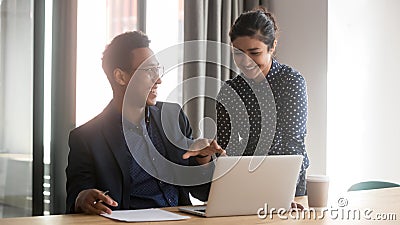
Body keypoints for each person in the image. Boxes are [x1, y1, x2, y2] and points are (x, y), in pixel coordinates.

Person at [66, 31, 224, 215]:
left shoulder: (174, 117)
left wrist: (202, 159)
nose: (158, 79)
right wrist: (83, 197)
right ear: (120, 77)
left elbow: (202, 192)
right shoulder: (87, 138)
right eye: (149, 71)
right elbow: (76, 197)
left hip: (180, 219)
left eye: (157, 69)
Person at [216, 7, 309, 196]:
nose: (246, 61)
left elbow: (292, 145)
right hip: (242, 186)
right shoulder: (230, 91)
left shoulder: (290, 82)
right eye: (239, 53)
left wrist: (282, 192)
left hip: (286, 184)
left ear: (272, 46)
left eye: (254, 52)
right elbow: (227, 150)